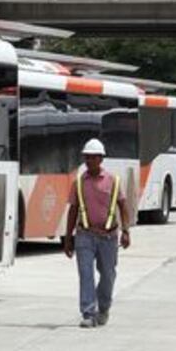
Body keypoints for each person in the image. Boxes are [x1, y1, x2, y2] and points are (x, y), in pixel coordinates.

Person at [63, 138, 131, 328]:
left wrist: (126, 232)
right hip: (85, 235)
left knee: (108, 275)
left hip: (108, 237)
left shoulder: (113, 181)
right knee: (86, 274)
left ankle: (104, 307)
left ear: (101, 159)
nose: (89, 161)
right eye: (86, 157)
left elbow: (123, 207)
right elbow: (73, 211)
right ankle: (88, 313)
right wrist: (68, 238)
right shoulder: (78, 182)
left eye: (93, 158)